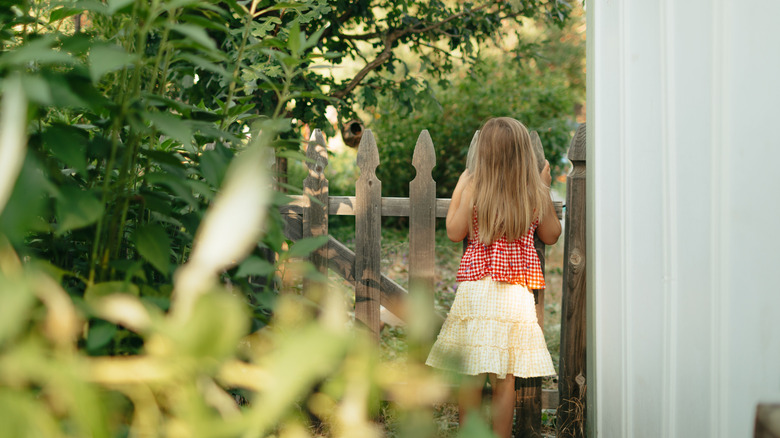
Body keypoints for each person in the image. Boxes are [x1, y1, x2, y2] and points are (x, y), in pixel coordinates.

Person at [425, 117, 561, 438]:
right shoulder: (530, 191)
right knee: (505, 380)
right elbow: (552, 234)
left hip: (476, 290)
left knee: (471, 375)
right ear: (524, 153)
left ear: (483, 154)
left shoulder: (476, 187)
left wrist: (462, 185)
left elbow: (454, 232)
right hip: (514, 294)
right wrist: (543, 186)